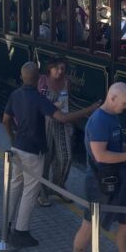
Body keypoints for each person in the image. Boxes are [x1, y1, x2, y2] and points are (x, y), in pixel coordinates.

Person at [2, 62, 97, 248]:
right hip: (34, 151)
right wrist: (89, 110)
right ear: (38, 78)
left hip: (18, 147)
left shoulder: (15, 95)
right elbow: (62, 118)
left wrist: (12, 137)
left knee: (14, 187)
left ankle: (5, 225)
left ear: (22, 77)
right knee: (30, 191)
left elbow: (5, 120)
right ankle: (21, 231)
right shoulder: (38, 99)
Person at [66, 82, 126, 252]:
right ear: (112, 98)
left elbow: (112, 144)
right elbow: (100, 155)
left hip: (116, 180)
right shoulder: (100, 121)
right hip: (100, 182)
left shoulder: (111, 116)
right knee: (90, 224)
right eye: (125, 103)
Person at [36, 59, 74, 207]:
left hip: (61, 123)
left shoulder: (66, 82)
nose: (60, 71)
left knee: (66, 157)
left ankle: (58, 186)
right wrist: (52, 105)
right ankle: (42, 191)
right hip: (44, 123)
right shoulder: (42, 82)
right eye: (57, 68)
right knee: (45, 157)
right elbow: (37, 103)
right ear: (50, 68)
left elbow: (67, 102)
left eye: (62, 68)